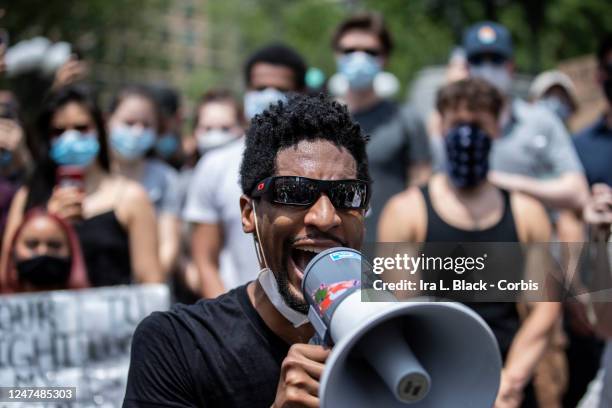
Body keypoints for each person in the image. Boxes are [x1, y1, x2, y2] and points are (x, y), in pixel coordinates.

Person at [124, 94, 370, 407]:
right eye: (293, 192)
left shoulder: (397, 334)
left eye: (347, 195)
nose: (325, 218)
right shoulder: (177, 344)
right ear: (248, 214)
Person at [378, 78, 561, 408]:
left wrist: (511, 381)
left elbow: (545, 309)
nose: (466, 134)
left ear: (496, 129)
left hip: (510, 381)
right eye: (457, 124)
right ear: (440, 127)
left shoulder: (527, 213)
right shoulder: (406, 212)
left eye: (477, 124)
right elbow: (404, 310)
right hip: (435, 383)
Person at [1, 85, 161, 287]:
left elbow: (151, 283)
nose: (71, 138)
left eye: (81, 128)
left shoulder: (131, 198)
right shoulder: (28, 196)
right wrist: (50, 225)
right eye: (59, 131)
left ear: (99, 130)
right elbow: (8, 275)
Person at [183, 44, 307, 299]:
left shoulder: (328, 166)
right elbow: (205, 260)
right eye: (260, 88)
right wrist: (227, 323)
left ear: (302, 94)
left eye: (282, 89)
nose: (270, 96)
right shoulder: (215, 165)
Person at [458, 21, 589, 211]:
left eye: (495, 60)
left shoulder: (541, 120)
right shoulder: (453, 125)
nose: (487, 69)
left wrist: (501, 182)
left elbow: (577, 192)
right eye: (478, 61)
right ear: (467, 68)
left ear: (511, 67)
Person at [330, 12, 431, 243]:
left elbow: (421, 190)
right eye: (349, 50)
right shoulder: (319, 121)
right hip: (331, 250)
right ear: (337, 55)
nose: (359, 57)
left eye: (370, 52)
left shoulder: (407, 120)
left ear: (384, 58)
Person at [108, 85, 181, 277]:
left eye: (146, 125)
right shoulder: (93, 175)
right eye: (129, 122)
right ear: (107, 121)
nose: (137, 131)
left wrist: (150, 282)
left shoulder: (166, 178)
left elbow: (169, 245)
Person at [2, 208, 89, 293]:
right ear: (13, 250)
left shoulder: (91, 304)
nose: (43, 252)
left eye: (54, 245)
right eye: (32, 244)